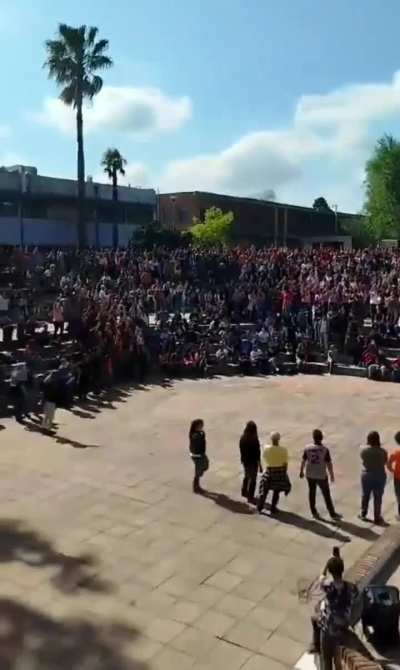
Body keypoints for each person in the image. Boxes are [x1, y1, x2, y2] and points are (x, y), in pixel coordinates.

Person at [310, 555, 358, 669]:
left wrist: (326, 566)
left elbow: (321, 578)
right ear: (342, 569)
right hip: (343, 626)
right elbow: (355, 595)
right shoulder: (351, 587)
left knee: (327, 659)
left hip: (329, 628)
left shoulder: (328, 586)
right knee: (337, 659)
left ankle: (315, 646)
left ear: (331, 571)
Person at [300, 429, 341, 520]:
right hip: (321, 475)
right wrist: (332, 475)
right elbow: (329, 464)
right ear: (321, 438)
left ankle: (313, 511)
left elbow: (303, 461)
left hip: (310, 474)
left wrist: (301, 471)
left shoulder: (307, 448)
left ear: (313, 438)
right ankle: (332, 513)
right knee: (326, 494)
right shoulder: (325, 450)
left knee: (312, 492)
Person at [258, 431, 290, 514]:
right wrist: (284, 474)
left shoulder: (266, 449)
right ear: (279, 439)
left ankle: (260, 506)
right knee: (277, 490)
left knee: (264, 489)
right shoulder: (283, 450)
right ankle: (273, 507)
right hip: (279, 471)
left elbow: (264, 457)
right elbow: (285, 464)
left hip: (270, 470)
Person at [359, 431, 388, 525]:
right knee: (378, 497)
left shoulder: (364, 451)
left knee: (365, 495)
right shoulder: (383, 452)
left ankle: (363, 513)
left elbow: (363, 459)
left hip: (367, 475)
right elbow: (384, 462)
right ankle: (377, 517)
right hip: (379, 475)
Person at [239, 421, 261, 503]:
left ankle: (244, 491)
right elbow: (257, 453)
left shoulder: (242, 438)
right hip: (253, 462)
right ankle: (250, 496)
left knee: (246, 476)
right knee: (253, 479)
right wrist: (260, 464)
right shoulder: (254, 440)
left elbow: (241, 449)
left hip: (245, 460)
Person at [189, 418, 208, 493]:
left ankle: (197, 481)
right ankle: (196, 487)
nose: (202, 427)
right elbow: (194, 446)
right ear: (196, 426)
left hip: (201, 453)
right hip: (197, 455)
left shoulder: (200, 433)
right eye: (201, 425)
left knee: (205, 465)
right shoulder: (195, 435)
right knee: (199, 470)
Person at [387, 431, 400, 521]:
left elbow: (389, 463)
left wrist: (393, 470)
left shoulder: (397, 453)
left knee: (399, 496)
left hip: (398, 477)